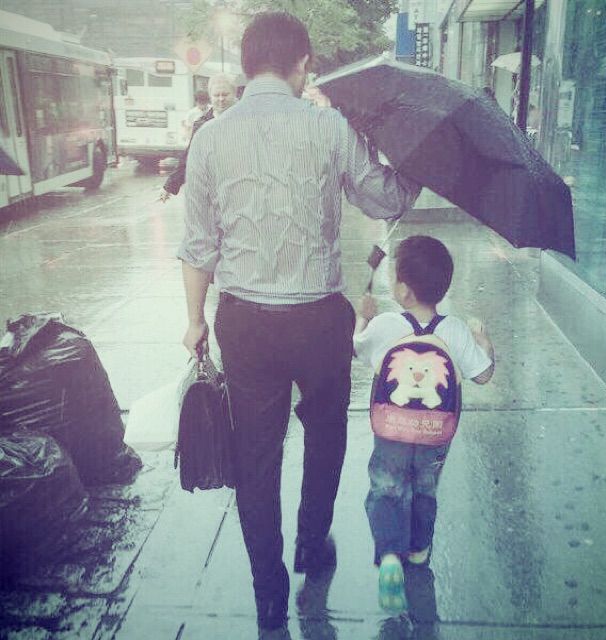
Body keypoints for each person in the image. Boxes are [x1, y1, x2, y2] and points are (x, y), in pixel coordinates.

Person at [178, 11, 421, 636]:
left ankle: (268, 593)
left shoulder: (209, 138)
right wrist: (410, 154)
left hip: (244, 323)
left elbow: (198, 246)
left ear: (245, 65)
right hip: (318, 321)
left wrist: (194, 321)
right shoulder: (330, 128)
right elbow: (387, 199)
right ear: (302, 64)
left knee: (255, 455)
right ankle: (313, 542)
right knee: (324, 434)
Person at [353, 235, 495, 615]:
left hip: (391, 429)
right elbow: (484, 375)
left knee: (387, 487)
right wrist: (484, 342)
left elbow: (356, 347)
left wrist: (363, 317)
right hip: (435, 434)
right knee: (424, 488)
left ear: (402, 290)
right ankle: (417, 550)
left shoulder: (385, 325)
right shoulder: (455, 330)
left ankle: (389, 556)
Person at [159, 73, 237, 201]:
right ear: (210, 97)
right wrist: (169, 186)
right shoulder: (201, 125)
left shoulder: (247, 121)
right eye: (216, 95)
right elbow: (189, 158)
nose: (221, 99)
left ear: (234, 94)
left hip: (240, 191)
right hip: (212, 192)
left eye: (225, 94)